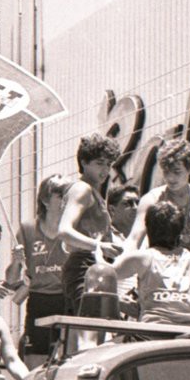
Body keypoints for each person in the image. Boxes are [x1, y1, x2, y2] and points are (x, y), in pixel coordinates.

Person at [126, 138, 190, 266]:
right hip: (160, 275)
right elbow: (134, 238)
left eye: (177, 172)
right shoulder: (152, 200)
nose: (170, 178)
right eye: (166, 172)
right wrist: (123, 260)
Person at [58, 134, 122, 317]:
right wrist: (99, 246)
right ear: (84, 162)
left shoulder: (95, 193)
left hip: (95, 265)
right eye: (100, 163)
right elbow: (64, 231)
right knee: (90, 330)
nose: (105, 170)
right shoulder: (82, 189)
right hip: (83, 267)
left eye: (109, 164)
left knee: (99, 329)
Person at [114, 201, 190, 326]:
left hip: (153, 337)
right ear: (181, 230)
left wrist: (118, 302)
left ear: (148, 228)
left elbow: (100, 276)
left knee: (109, 345)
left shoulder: (142, 258)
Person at [11, 174, 70, 364]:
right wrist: (16, 261)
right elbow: (11, 279)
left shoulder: (74, 229)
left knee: (68, 358)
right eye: (60, 194)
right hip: (40, 300)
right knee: (36, 360)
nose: (66, 198)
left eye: (69, 193)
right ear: (45, 200)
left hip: (67, 299)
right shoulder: (28, 229)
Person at [106, 183, 141, 318]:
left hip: (140, 314)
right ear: (112, 210)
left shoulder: (146, 239)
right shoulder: (105, 238)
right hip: (113, 312)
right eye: (128, 204)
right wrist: (117, 301)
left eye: (137, 203)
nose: (135, 208)